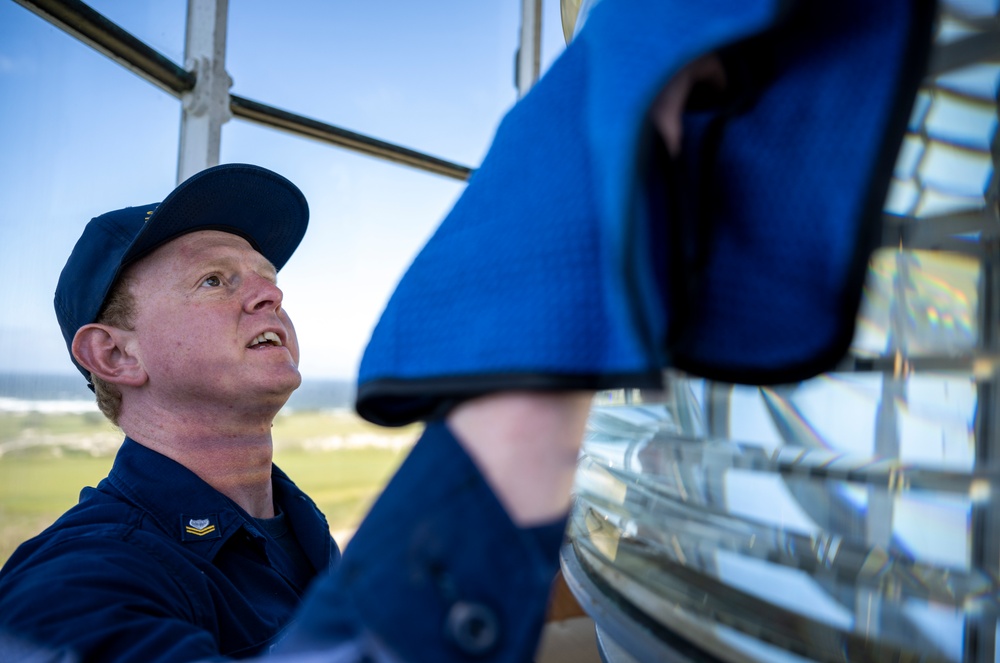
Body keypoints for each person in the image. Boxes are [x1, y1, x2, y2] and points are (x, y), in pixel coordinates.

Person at [1, 0, 932, 660]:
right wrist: (554, 275)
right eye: (216, 278)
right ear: (112, 354)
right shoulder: (75, 585)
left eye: (268, 277)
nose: (267, 297)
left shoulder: (290, 526)